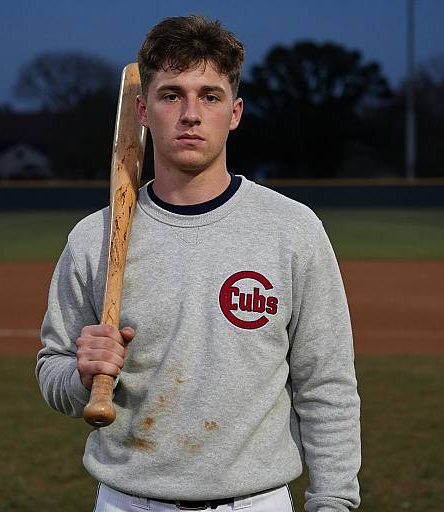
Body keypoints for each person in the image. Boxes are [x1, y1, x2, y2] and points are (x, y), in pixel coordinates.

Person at [36, 15, 361, 512]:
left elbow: (326, 383)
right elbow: (52, 371)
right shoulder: (92, 239)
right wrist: (83, 374)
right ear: (142, 110)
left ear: (235, 112)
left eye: (210, 96)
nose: (191, 113)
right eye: (172, 95)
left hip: (256, 503)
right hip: (128, 502)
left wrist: (334, 500)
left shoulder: (292, 229)